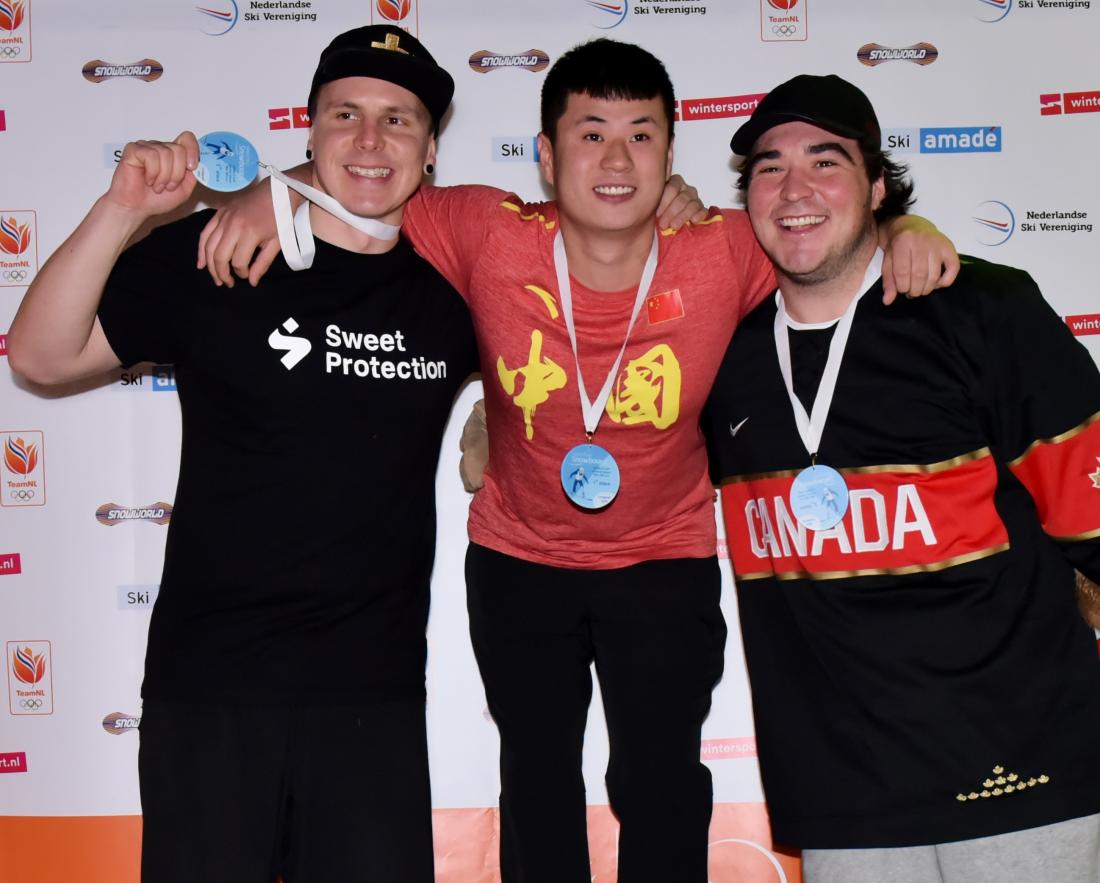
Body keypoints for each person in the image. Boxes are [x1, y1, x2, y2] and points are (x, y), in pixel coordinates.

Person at [197, 39, 958, 882]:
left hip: (664, 558)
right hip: (519, 555)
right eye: (591, 133)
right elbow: (367, 184)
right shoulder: (487, 228)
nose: (617, 158)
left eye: (641, 134)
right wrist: (279, 193)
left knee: (661, 777)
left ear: (671, 151)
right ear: (547, 153)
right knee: (537, 772)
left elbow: (831, 226)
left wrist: (911, 228)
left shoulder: (726, 247)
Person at [7, 25, 479, 883]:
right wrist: (123, 207)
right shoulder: (215, 254)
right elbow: (39, 356)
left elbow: (589, 274)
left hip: (370, 698)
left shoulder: (455, 282)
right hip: (209, 687)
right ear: (309, 128)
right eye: (345, 115)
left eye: (398, 120)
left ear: (431, 146)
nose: (369, 141)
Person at [702, 74, 1100, 882]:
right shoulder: (728, 358)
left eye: (827, 161)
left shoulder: (981, 311)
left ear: (878, 186)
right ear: (746, 196)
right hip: (847, 799)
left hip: (1022, 775)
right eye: (769, 167)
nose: (795, 189)